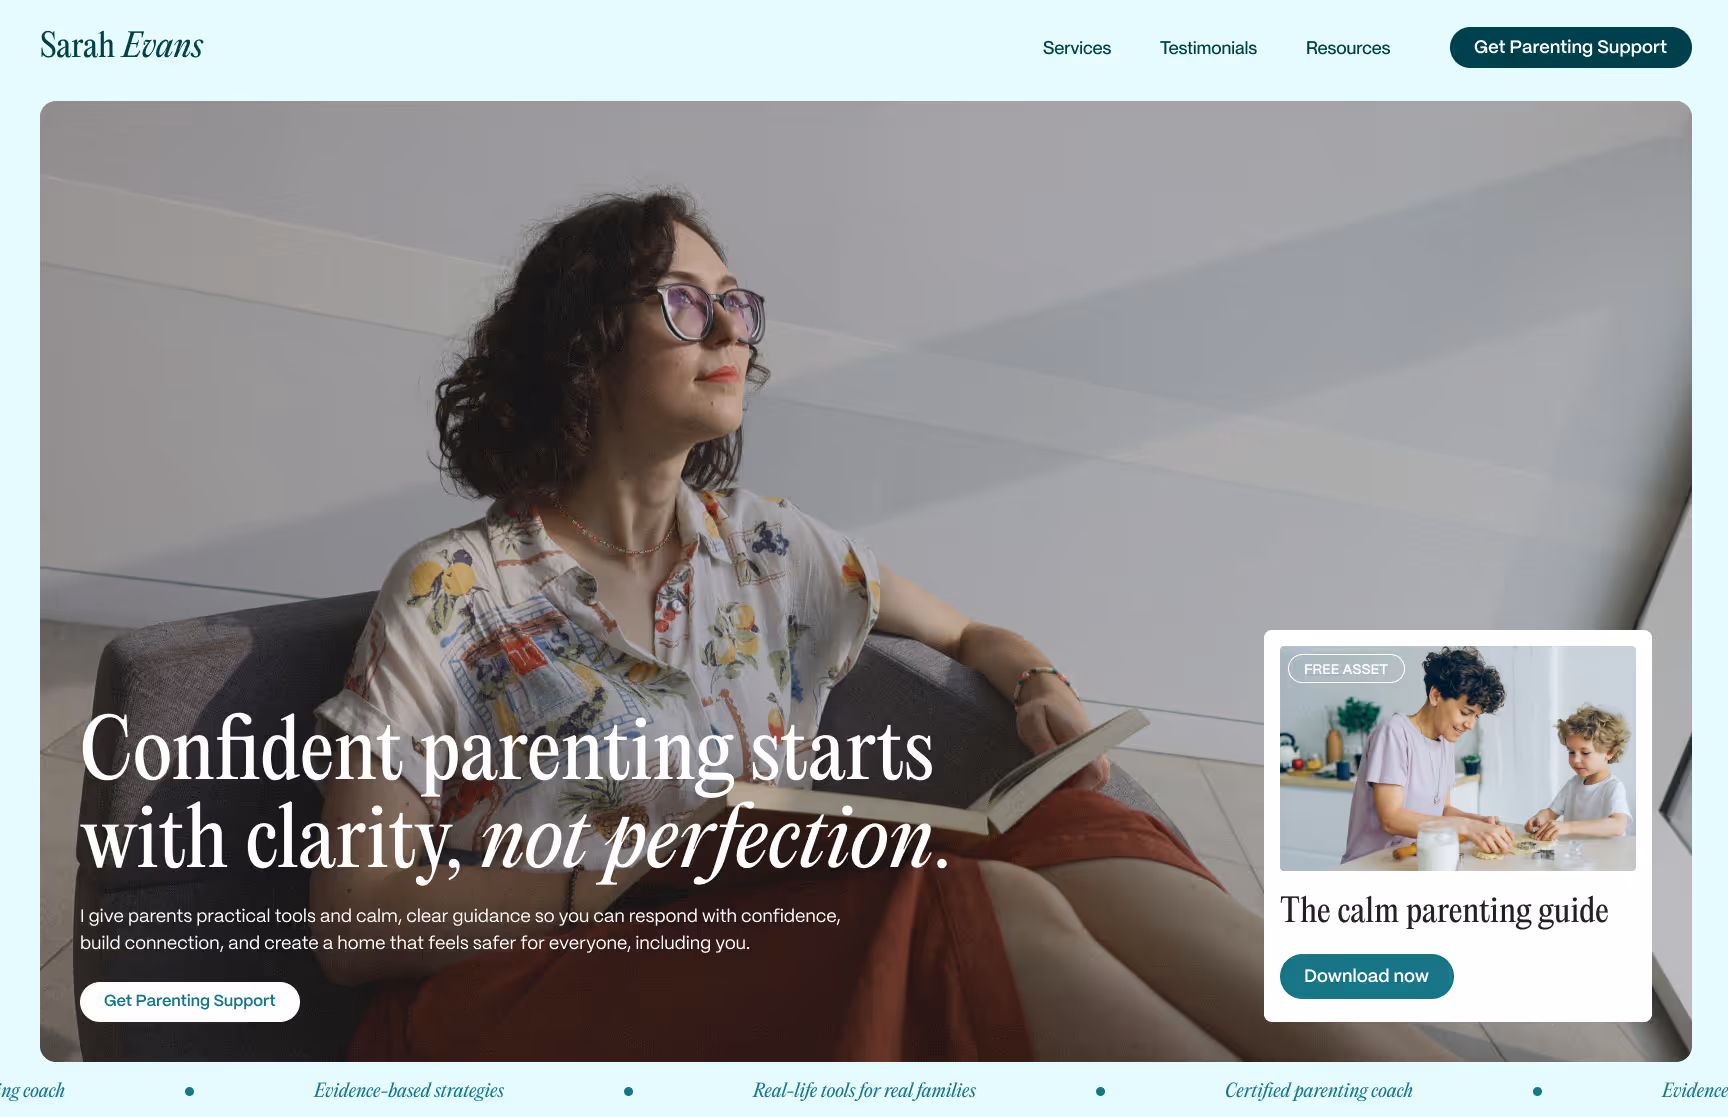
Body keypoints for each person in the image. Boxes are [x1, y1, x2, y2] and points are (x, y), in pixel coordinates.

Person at [309, 191, 1452, 1061]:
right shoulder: (453, 591)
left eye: (738, 304)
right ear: (583, 347)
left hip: (769, 918)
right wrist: (620, 865)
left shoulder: (769, 547)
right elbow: (356, 924)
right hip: (538, 988)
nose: (733, 329)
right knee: (968, 904)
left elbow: (972, 636)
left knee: (1061, 825)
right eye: (686, 303)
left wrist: (1036, 683)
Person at [1341, 647, 1515, 863]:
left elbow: (1441, 810)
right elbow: (1391, 818)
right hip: (1371, 866)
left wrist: (1480, 823)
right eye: (1465, 712)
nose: (1470, 724)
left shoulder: (1445, 741)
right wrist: (1468, 827)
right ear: (1435, 696)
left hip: (1413, 861)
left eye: (1476, 717)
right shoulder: (1395, 733)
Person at [1525, 705, 1632, 839]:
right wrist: (1540, 817)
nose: (1576, 760)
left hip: (1607, 857)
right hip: (1577, 856)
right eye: (1571, 752)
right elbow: (1551, 813)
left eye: (1585, 752)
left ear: (1609, 752)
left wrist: (1569, 827)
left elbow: (1618, 826)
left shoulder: (1613, 787)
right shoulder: (1573, 785)